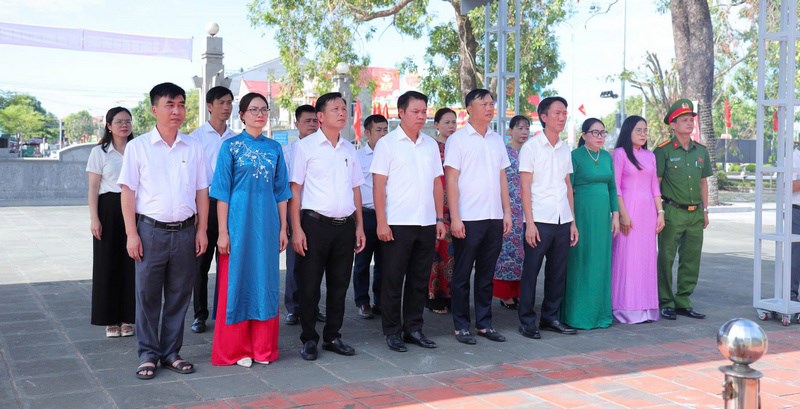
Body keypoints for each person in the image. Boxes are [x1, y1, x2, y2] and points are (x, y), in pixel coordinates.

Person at [118, 82, 208, 380]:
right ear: (154, 109)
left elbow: (202, 191)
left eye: (181, 104)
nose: (177, 110)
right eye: (170, 104)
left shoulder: (194, 147)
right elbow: (128, 192)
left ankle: (171, 352)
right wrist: (131, 234)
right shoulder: (138, 147)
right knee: (147, 295)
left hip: (185, 231)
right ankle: (147, 354)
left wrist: (202, 230)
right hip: (150, 231)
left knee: (179, 294)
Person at [210, 92, 291, 367]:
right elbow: (221, 192)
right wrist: (223, 231)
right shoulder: (230, 147)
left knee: (265, 281)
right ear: (242, 115)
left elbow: (282, 191)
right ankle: (236, 349)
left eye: (264, 109)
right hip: (238, 223)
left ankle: (263, 348)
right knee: (237, 281)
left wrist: (283, 227)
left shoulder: (275, 149)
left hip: (267, 224)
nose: (260, 114)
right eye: (254, 109)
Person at [289, 92, 366, 361]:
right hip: (314, 225)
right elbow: (295, 190)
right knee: (309, 285)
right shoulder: (305, 147)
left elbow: (356, 189)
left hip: (344, 226)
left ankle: (333, 336)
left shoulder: (349, 149)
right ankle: (309, 339)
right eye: (335, 109)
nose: (342, 113)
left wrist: (359, 226)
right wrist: (296, 229)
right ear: (320, 116)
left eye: (344, 108)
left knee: (339, 285)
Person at [371, 91, 446, 352]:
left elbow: (437, 183)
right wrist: (381, 222)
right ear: (401, 112)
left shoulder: (430, 145)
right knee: (393, 279)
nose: (421, 116)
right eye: (415, 111)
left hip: (426, 222)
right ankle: (392, 331)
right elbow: (378, 186)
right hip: (397, 223)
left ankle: (414, 328)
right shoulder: (387, 144)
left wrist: (439, 218)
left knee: (419, 279)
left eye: (424, 111)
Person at [444, 89, 511, 345]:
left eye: (491, 103)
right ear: (469, 109)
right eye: (483, 103)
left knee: (486, 274)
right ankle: (461, 326)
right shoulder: (458, 140)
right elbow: (451, 180)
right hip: (468, 217)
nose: (489, 107)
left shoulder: (496, 140)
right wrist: (455, 218)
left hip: (494, 216)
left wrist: (507, 212)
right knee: (462, 274)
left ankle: (484, 323)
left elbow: (502, 178)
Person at [517, 96, 578, 340]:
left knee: (557, 272)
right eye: (557, 113)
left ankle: (550, 317)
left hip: (562, 218)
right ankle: (526, 321)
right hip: (539, 219)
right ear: (543, 117)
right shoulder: (531, 147)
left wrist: (573, 222)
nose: (562, 117)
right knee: (531, 271)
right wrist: (529, 223)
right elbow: (525, 187)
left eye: (564, 113)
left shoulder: (565, 148)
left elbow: (568, 186)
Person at [655, 99, 712, 320]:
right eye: (684, 120)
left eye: (691, 119)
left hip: (695, 213)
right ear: (673, 124)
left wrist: (705, 211)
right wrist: (658, 212)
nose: (690, 123)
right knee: (666, 258)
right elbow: (656, 184)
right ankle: (666, 301)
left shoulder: (701, 151)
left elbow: (703, 183)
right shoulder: (663, 151)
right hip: (672, 211)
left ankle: (683, 300)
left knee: (691, 258)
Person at [560, 118, 620, 330]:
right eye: (595, 132)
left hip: (602, 218)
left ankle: (599, 314)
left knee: (600, 263)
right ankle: (577, 315)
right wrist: (572, 220)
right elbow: (568, 188)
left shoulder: (606, 157)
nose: (600, 136)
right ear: (584, 135)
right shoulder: (575, 156)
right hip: (582, 216)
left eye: (603, 132)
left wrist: (615, 214)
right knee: (581, 262)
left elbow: (612, 187)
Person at [188, 86, 237, 334]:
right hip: (205, 203)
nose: (227, 107)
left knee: (227, 261)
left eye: (229, 102)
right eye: (221, 103)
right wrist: (196, 212)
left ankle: (224, 311)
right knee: (200, 263)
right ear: (209, 106)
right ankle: (200, 314)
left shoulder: (236, 139)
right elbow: (190, 177)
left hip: (231, 205)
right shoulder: (195, 138)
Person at [87, 107, 135, 338]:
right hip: (108, 210)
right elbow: (93, 188)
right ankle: (109, 320)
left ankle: (127, 318)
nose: (124, 125)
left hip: (134, 209)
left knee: (131, 263)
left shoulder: (137, 149)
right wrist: (94, 218)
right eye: (119, 121)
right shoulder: (99, 152)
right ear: (109, 125)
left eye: (128, 121)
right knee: (107, 264)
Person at [612, 116, 665, 324]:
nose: (643, 134)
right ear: (628, 131)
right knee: (628, 259)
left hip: (648, 213)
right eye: (638, 130)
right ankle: (625, 307)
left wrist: (660, 212)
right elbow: (615, 186)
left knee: (646, 260)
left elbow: (655, 187)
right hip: (628, 211)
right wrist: (622, 214)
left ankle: (647, 307)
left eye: (645, 130)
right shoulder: (620, 154)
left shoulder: (650, 156)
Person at [283, 105, 325, 325]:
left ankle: (312, 307)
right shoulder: (287, 152)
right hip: (295, 211)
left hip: (317, 214)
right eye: (307, 121)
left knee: (315, 264)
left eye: (315, 121)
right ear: (297, 123)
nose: (312, 125)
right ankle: (293, 307)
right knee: (294, 263)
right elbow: (284, 186)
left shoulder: (324, 148)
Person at [353, 114, 389, 319]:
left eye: (385, 130)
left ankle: (380, 301)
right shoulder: (358, 157)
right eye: (378, 130)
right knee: (362, 262)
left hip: (388, 215)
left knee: (385, 262)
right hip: (365, 215)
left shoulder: (392, 153)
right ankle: (362, 301)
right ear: (367, 133)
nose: (383, 134)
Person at [493, 115, 529, 310]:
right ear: (510, 130)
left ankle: (521, 292)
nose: (524, 132)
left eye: (527, 128)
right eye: (520, 128)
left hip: (528, 208)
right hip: (508, 208)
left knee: (525, 251)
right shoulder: (504, 153)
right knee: (507, 251)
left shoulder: (531, 152)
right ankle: (506, 294)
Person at [427, 108, 457, 314]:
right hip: (435, 207)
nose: (451, 126)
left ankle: (452, 296)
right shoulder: (431, 147)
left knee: (454, 255)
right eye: (447, 122)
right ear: (436, 124)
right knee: (435, 254)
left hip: (457, 208)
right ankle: (433, 297)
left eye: (454, 122)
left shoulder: (460, 146)